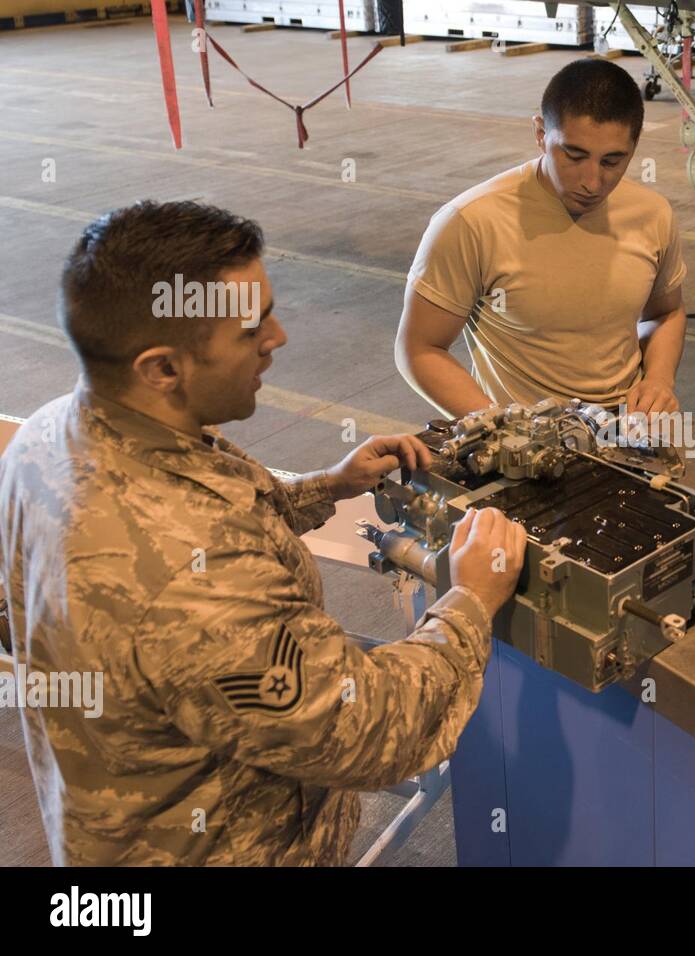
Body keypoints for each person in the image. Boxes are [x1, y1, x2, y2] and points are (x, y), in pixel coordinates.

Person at [0, 201, 525, 865]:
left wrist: (325, 487)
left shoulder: (51, 438)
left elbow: (195, 514)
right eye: (251, 329)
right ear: (162, 368)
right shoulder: (194, 586)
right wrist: (469, 602)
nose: (277, 337)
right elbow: (367, 730)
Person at [397, 58, 686, 419]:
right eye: (574, 155)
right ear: (540, 134)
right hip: (521, 451)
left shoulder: (652, 214)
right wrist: (501, 429)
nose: (592, 182)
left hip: (624, 435)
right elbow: (420, 348)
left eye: (612, 161)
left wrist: (659, 379)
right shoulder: (471, 222)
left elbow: (666, 313)